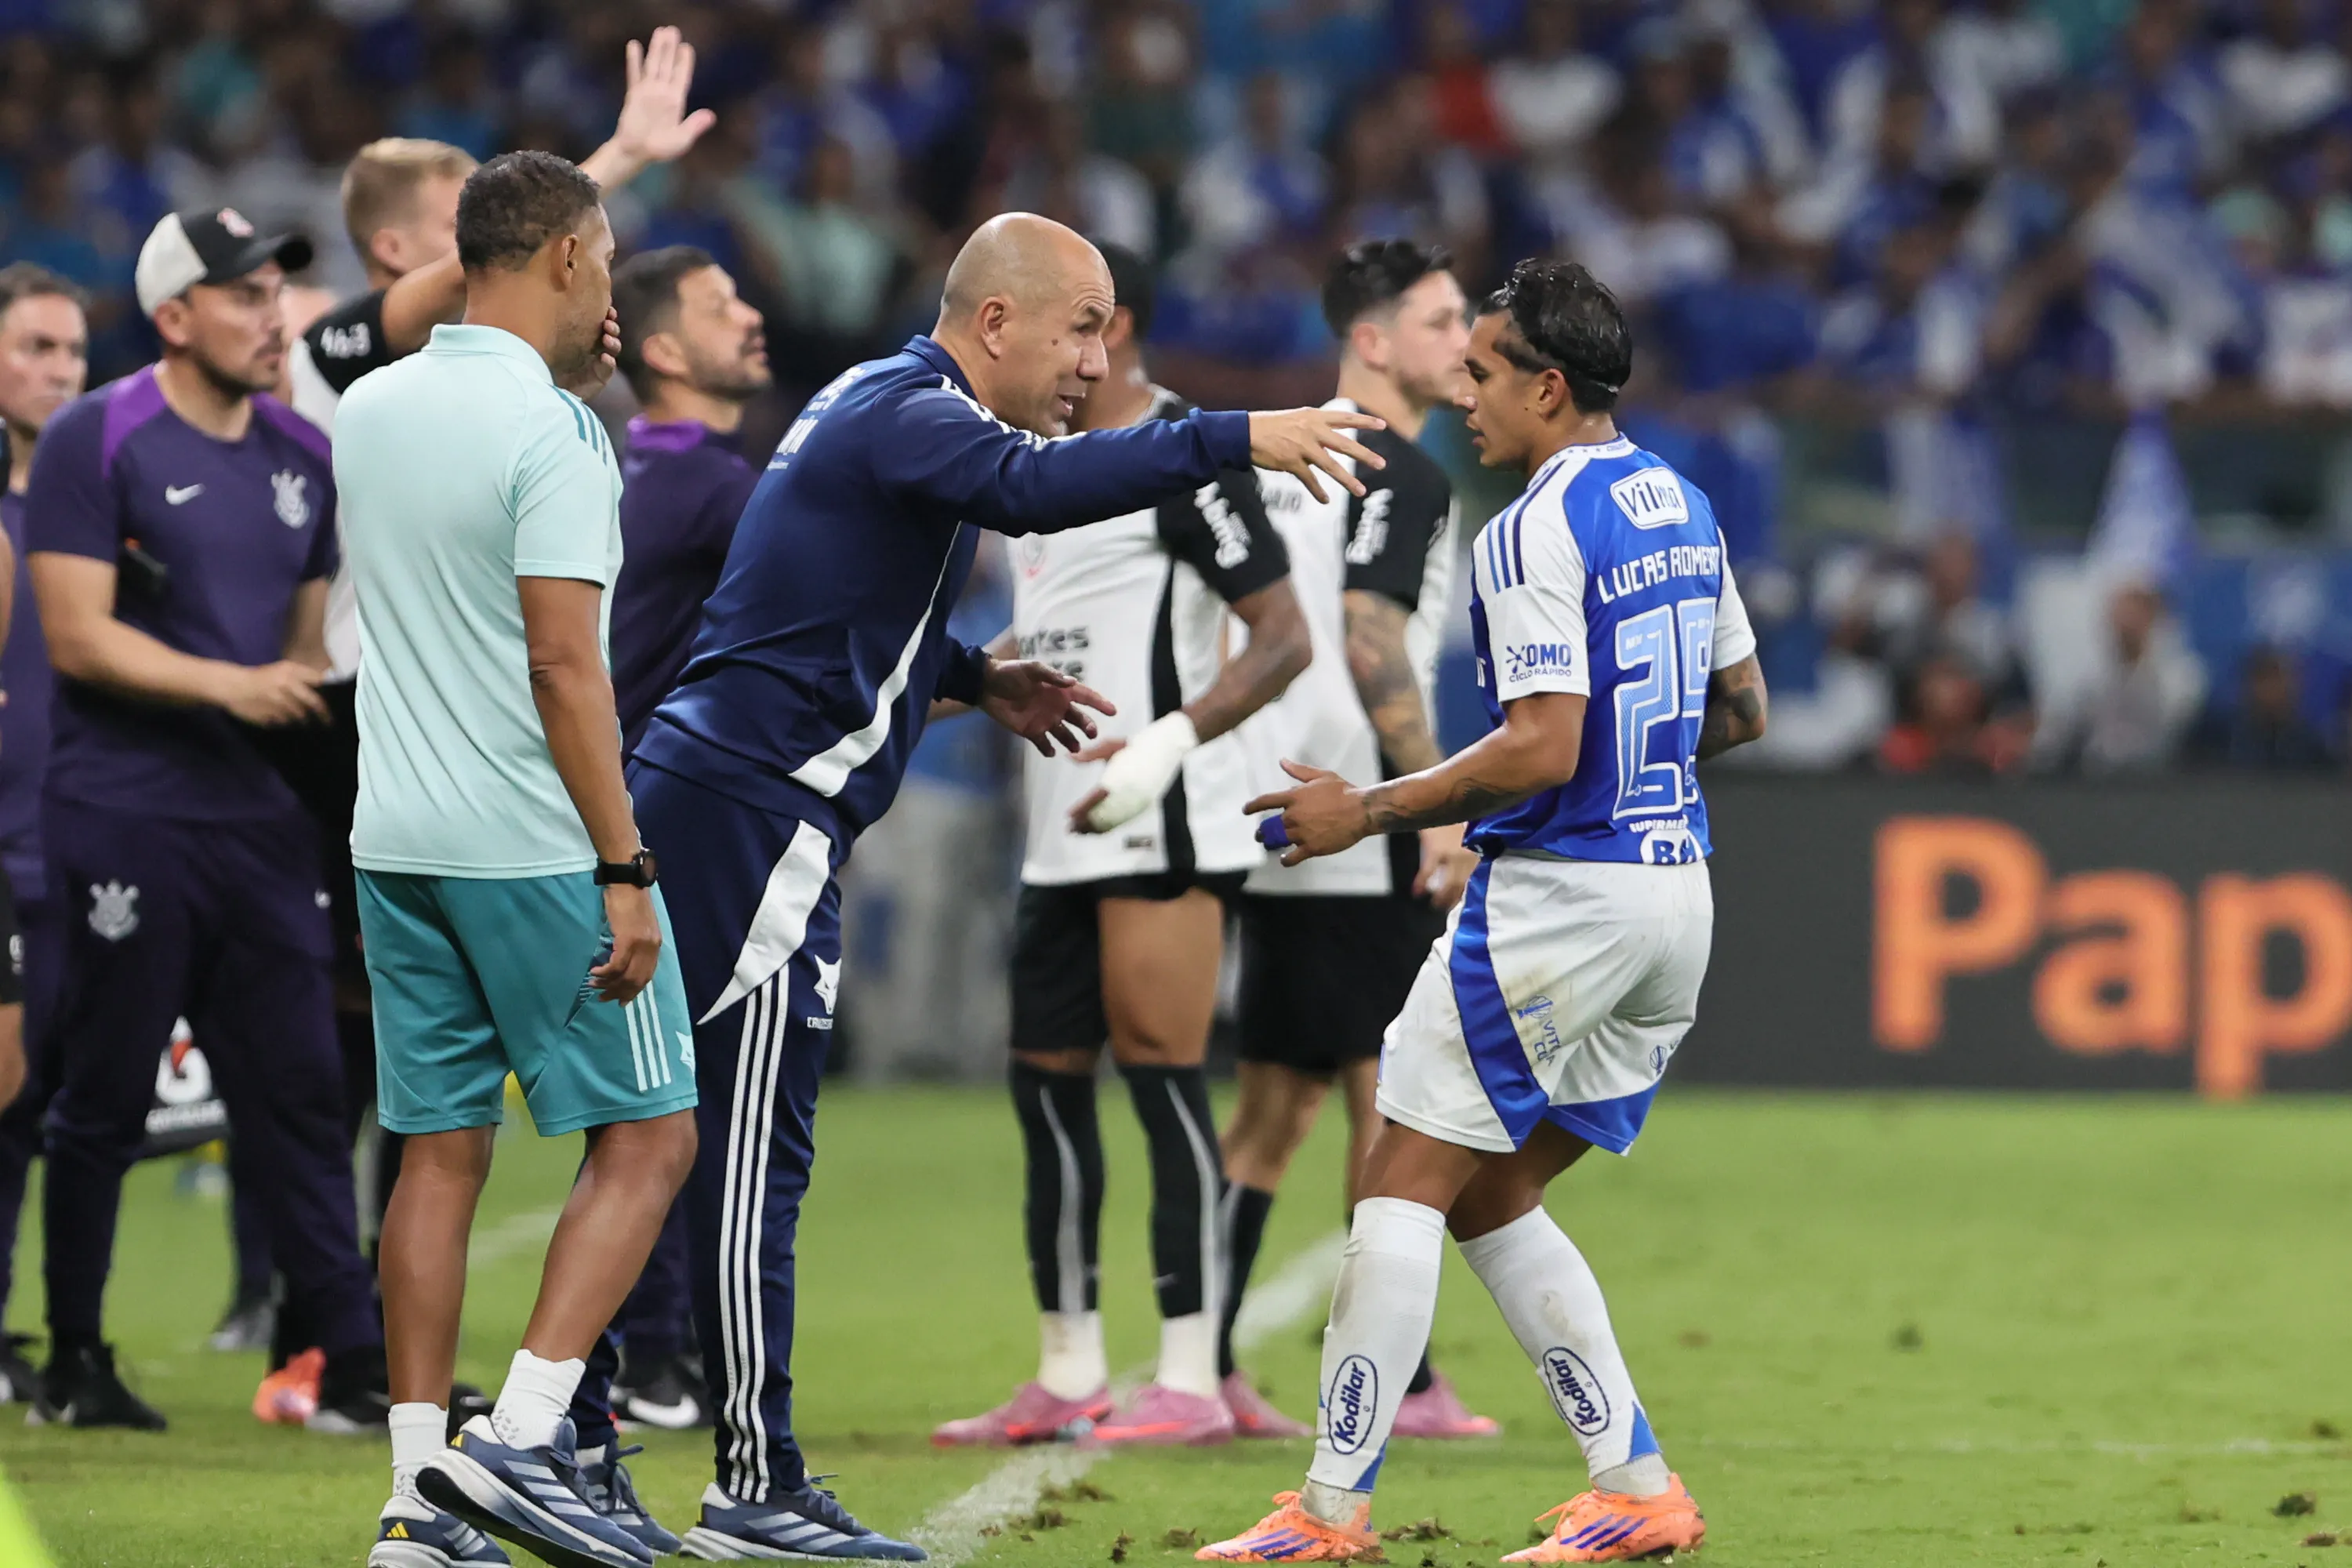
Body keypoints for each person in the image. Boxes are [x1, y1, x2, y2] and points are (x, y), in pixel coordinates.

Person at [619, 212, 1387, 1557]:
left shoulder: (880, 403)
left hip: (838, 802)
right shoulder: (946, 426)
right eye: (1080, 327)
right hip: (771, 811)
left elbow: (843, 601)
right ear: (994, 323)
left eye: (1105, 329)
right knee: (737, 1156)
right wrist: (1233, 432)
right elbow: (1028, 495)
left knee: (671, 1140)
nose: (1097, 356)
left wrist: (978, 678)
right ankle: (725, 1470)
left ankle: (561, 1433)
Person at [1196, 259, 1768, 1566]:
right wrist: (1633, 782)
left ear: (1549, 388)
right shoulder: (1679, 501)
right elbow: (1739, 710)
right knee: (1489, 1189)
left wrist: (1373, 809)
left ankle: (1327, 1513)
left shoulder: (1528, 523)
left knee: (1398, 1178)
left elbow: (1543, 746)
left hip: (1564, 899)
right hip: (1677, 896)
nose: (1463, 393)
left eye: (1487, 370)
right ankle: (1634, 1483)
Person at [333, 151, 699, 1568]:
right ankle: (522, 1444)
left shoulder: (369, 407)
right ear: (561, 259)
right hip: (531, 841)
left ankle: (415, 1501)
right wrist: (626, 864)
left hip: (394, 839)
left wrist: (570, 405)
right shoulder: (555, 435)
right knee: (653, 1133)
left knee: (436, 1153)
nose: (606, 282)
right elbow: (562, 661)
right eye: (600, 259)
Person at [934, 241, 1313, 1450]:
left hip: (1169, 821)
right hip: (1055, 830)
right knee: (1043, 1092)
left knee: (1163, 1080)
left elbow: (1285, 637)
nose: (1073, 353)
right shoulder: (1030, 464)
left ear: (1120, 329)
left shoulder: (1187, 457)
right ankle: (1068, 1368)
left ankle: (1195, 1374)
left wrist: (1168, 746)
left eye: (1088, 327)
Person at [22, 209, 381, 1434]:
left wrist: (277, 703)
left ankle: (353, 1356)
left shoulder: (302, 452)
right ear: (173, 318)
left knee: (300, 1089)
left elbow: (304, 636)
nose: (271, 309)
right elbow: (75, 635)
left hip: (258, 819)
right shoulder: (94, 435)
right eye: (239, 294)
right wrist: (236, 687)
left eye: (275, 287)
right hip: (123, 814)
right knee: (107, 1096)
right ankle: (76, 1352)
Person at [1216, 239, 1497, 1440]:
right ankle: (1405, 1380)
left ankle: (1201, 1356)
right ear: (1371, 341)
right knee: (1393, 1103)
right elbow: (1373, 634)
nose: (1465, 346)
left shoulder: (1271, 456)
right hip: (1360, 810)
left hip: (1266, 808)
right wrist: (1426, 802)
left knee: (1275, 1104)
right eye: (1439, 323)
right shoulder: (1404, 471)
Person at [578, 242, 774, 1439]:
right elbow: (835, 603)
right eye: (721, 307)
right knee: (677, 1098)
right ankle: (656, 1353)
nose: (752, 319)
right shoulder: (708, 480)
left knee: (642, 1094)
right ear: (659, 349)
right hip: (671, 817)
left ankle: (640, 1353)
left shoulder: (616, 466)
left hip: (609, 808)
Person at [0, 264, 85, 1408]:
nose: (60, 371)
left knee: (33, 1103)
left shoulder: (90, 503)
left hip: (73, 844)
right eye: (34, 348)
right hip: (6, 846)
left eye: (72, 353)